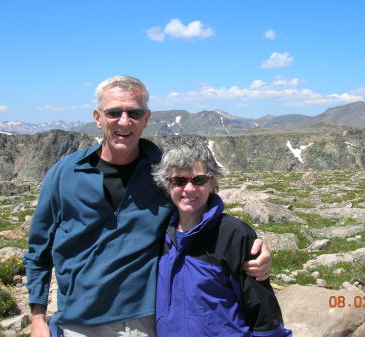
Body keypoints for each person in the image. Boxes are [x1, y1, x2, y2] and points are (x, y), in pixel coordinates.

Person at [24, 75, 272, 337]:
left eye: (134, 112)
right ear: (98, 117)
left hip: (148, 321)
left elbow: (201, 205)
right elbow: (38, 249)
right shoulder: (64, 174)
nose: (124, 121)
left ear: (146, 118)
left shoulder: (164, 171)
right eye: (114, 112)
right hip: (80, 322)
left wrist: (249, 246)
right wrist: (38, 318)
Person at [153, 142, 292, 337]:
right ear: (167, 184)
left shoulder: (234, 234)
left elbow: (264, 314)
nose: (189, 188)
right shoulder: (159, 233)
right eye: (179, 181)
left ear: (212, 182)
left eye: (199, 180)